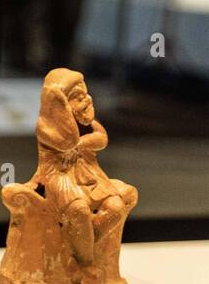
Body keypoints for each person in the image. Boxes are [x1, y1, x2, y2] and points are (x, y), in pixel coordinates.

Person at [28, 68, 138, 266]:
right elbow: (67, 141)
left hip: (90, 176)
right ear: (59, 104)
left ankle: (86, 243)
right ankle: (83, 261)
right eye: (78, 97)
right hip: (59, 177)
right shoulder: (46, 126)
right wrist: (57, 100)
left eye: (87, 93)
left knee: (116, 206)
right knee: (79, 210)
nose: (87, 100)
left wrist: (82, 142)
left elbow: (101, 139)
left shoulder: (88, 123)